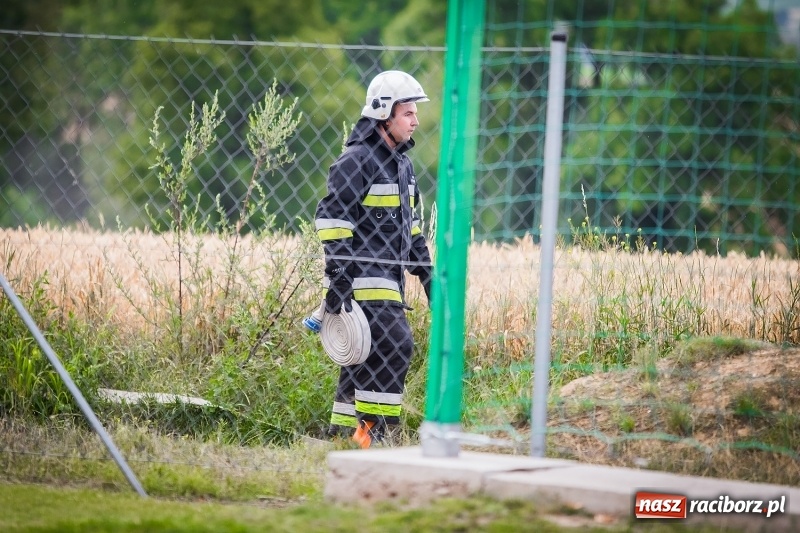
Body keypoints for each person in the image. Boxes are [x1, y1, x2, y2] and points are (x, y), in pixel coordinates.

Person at [313, 70, 433, 448]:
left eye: (415, 113)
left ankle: (342, 437)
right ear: (384, 114)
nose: (415, 121)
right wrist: (340, 276)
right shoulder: (357, 161)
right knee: (395, 346)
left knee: (361, 358)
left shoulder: (402, 166)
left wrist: (430, 281)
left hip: (390, 280)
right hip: (362, 280)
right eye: (408, 113)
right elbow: (331, 220)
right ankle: (375, 435)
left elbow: (412, 233)